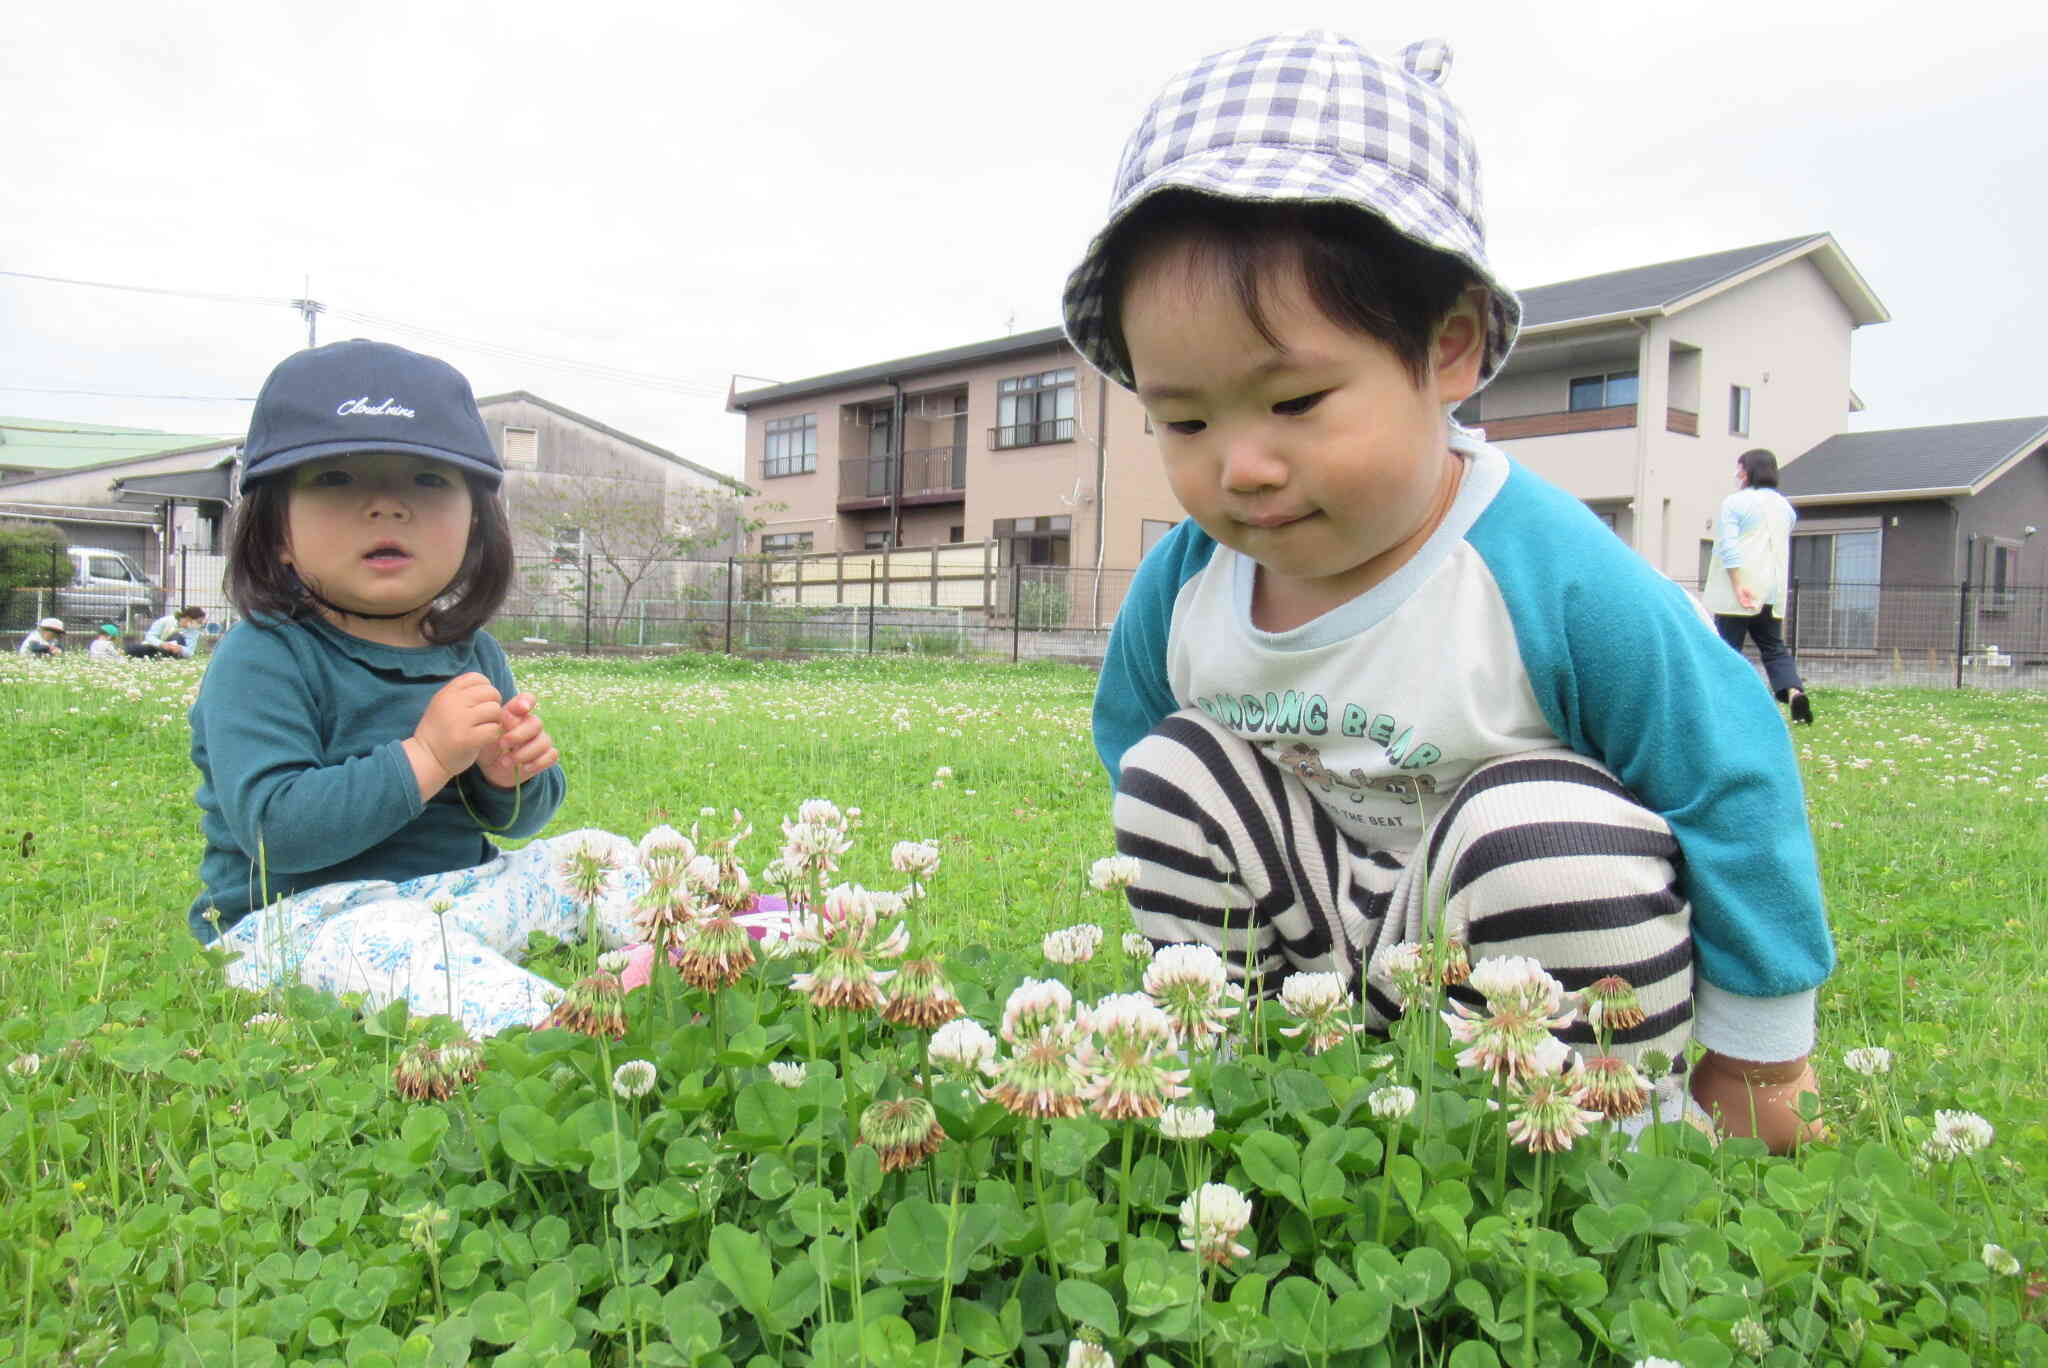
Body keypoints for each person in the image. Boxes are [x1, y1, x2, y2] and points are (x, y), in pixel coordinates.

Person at [1062, 31, 1832, 1150]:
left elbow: (1729, 777)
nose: (1240, 466)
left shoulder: (1546, 572)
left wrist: (1763, 1049)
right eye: (1184, 420)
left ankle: (1595, 1138)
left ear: (1450, 349)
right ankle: (1231, 1082)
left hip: (1517, 954)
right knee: (1170, 767)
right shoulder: (1189, 585)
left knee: (1540, 823)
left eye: (1294, 402)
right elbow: (1133, 756)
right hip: (1317, 940)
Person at [189, 339, 645, 1038]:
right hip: (305, 922)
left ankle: (710, 941)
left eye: (428, 480)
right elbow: (274, 830)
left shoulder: (470, 653)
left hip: (456, 898)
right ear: (276, 528)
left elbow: (516, 824)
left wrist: (510, 775)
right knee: (390, 945)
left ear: (474, 527)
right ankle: (556, 1030)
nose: (386, 506)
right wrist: (427, 756)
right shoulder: (265, 654)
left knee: (595, 856)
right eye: (337, 478)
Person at [1704, 449, 1812, 724]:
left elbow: (1729, 547)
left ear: (1747, 471)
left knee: (1726, 650)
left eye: (1739, 468)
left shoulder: (1735, 503)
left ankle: (1723, 705)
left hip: (1739, 590)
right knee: (1774, 647)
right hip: (1771, 590)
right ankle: (1793, 691)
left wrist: (1739, 585)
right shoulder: (1785, 508)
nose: (1736, 473)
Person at [132, 605, 208, 659]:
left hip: (174, 651)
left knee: (177, 637)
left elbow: (190, 651)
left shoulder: (193, 632)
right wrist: (162, 644)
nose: (200, 625)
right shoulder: (165, 621)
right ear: (188, 618)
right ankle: (157, 655)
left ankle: (162, 656)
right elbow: (149, 637)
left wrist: (181, 649)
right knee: (133, 649)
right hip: (157, 647)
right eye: (199, 622)